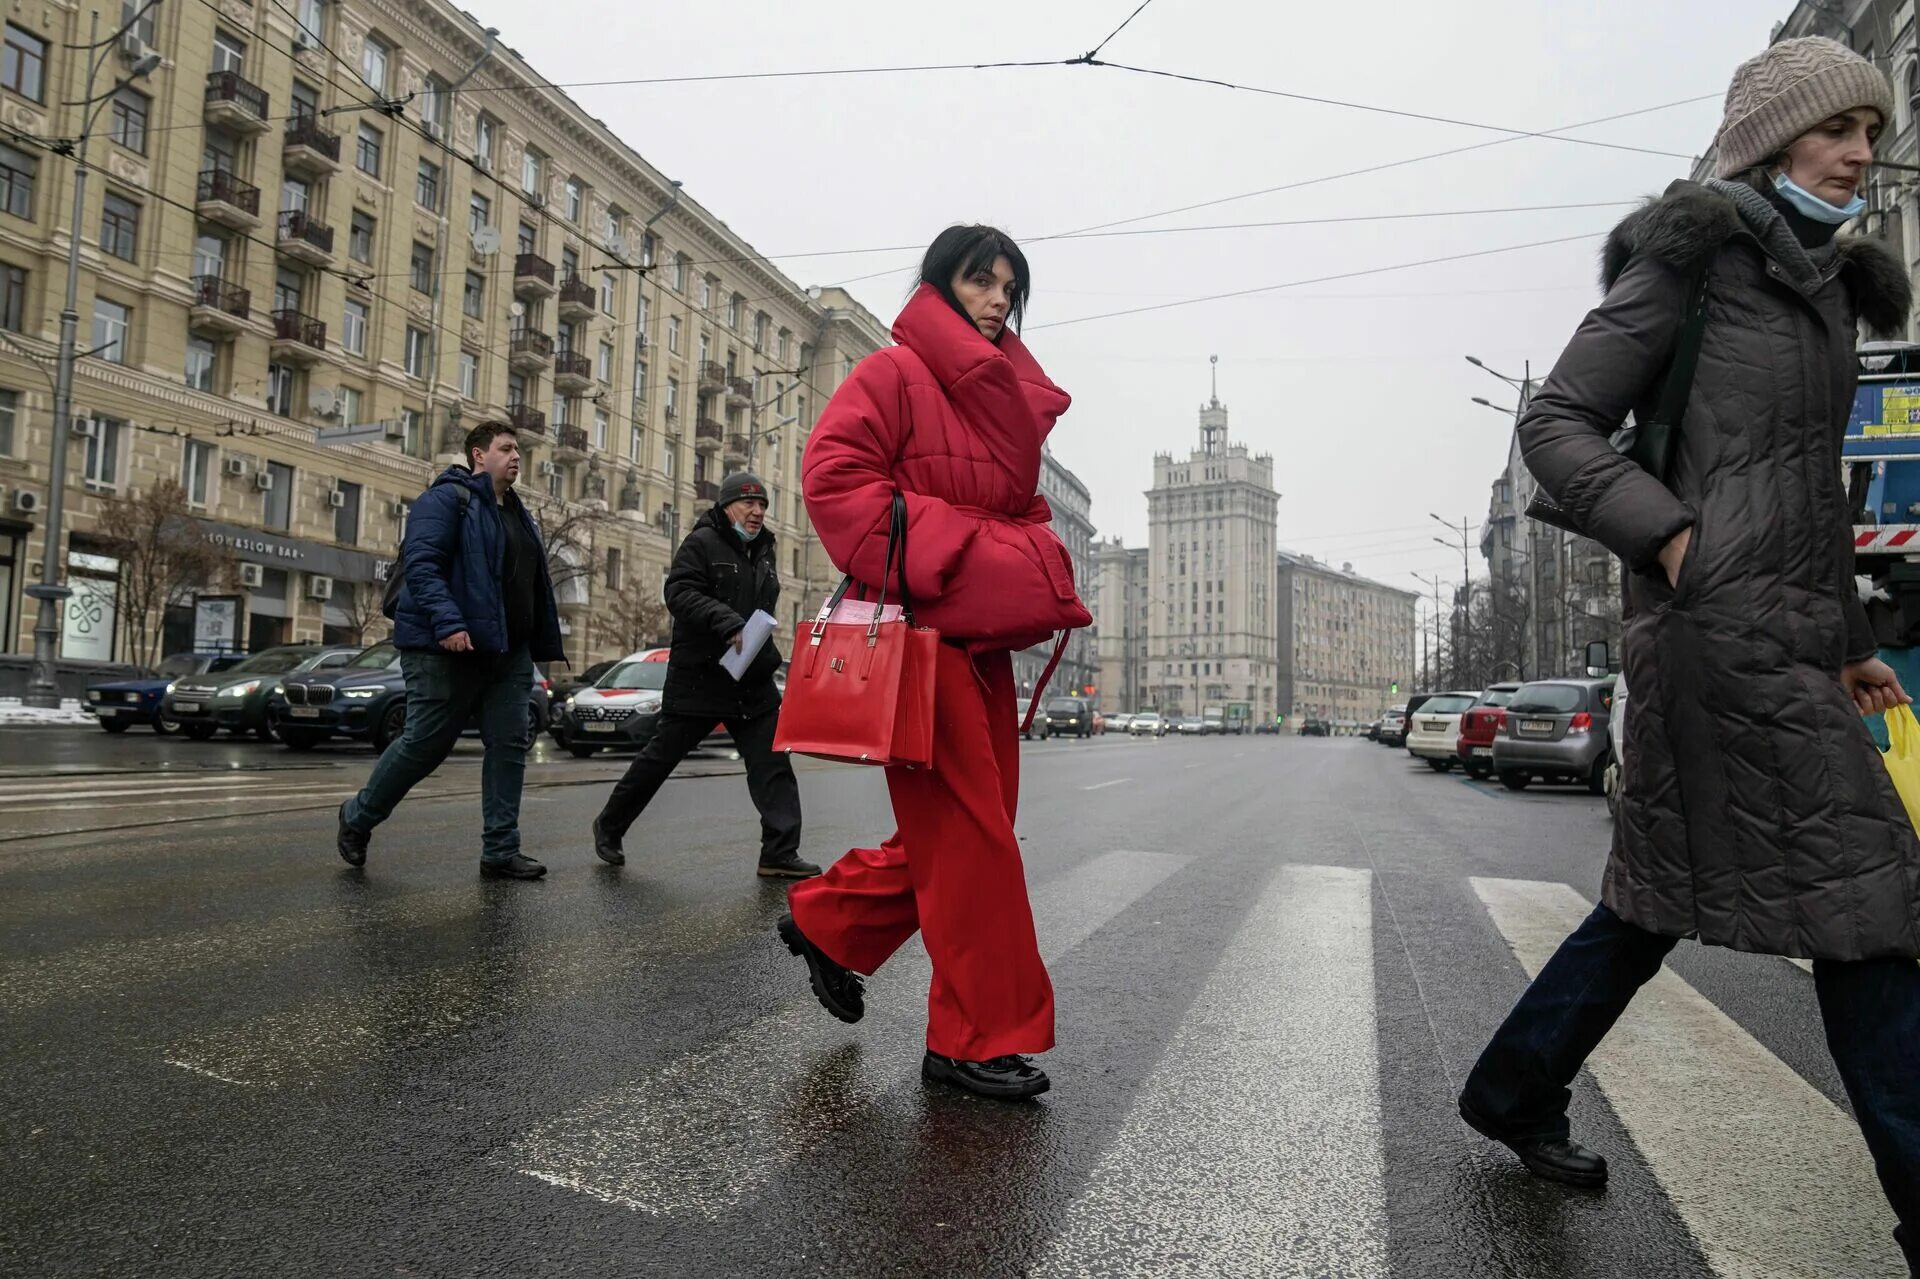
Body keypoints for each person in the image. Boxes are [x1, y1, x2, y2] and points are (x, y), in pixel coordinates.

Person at [1457, 37, 1920, 1271]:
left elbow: (1807, 495)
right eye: (1842, 132)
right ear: (1773, 139)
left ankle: (1513, 1087)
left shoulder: (1821, 292)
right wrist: (1669, 540)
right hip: (1712, 637)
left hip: (1780, 640)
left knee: (1649, 902)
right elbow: (1555, 422)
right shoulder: (1696, 268)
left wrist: (1853, 643)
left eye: (1875, 133)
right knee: (1866, 902)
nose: (1864, 157)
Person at [776, 225, 1092, 1102]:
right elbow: (832, 477)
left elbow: (1021, 510)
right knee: (974, 840)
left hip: (980, 643)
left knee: (969, 831)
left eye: (1008, 287)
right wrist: (959, 551)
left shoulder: (1003, 400)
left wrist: (1020, 558)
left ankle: (830, 921)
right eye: (978, 280)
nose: (996, 299)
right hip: (918, 634)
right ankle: (970, 1038)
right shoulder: (894, 372)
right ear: (941, 284)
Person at [336, 421, 564, 880]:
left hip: (508, 653)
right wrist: (449, 622)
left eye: (518, 449)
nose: (516, 456)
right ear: (479, 455)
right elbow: (422, 566)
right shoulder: (445, 500)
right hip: (446, 648)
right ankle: (358, 816)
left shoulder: (519, 512)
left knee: (509, 745)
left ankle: (500, 851)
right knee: (425, 744)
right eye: (506, 448)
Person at [590, 472, 816, 879]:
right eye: (749, 503)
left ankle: (779, 853)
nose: (757, 511)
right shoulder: (701, 543)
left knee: (773, 765)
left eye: (763, 505)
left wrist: (763, 649)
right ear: (726, 506)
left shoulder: (765, 549)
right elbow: (679, 592)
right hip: (701, 678)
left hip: (751, 679)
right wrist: (726, 622)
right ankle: (609, 825)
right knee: (659, 760)